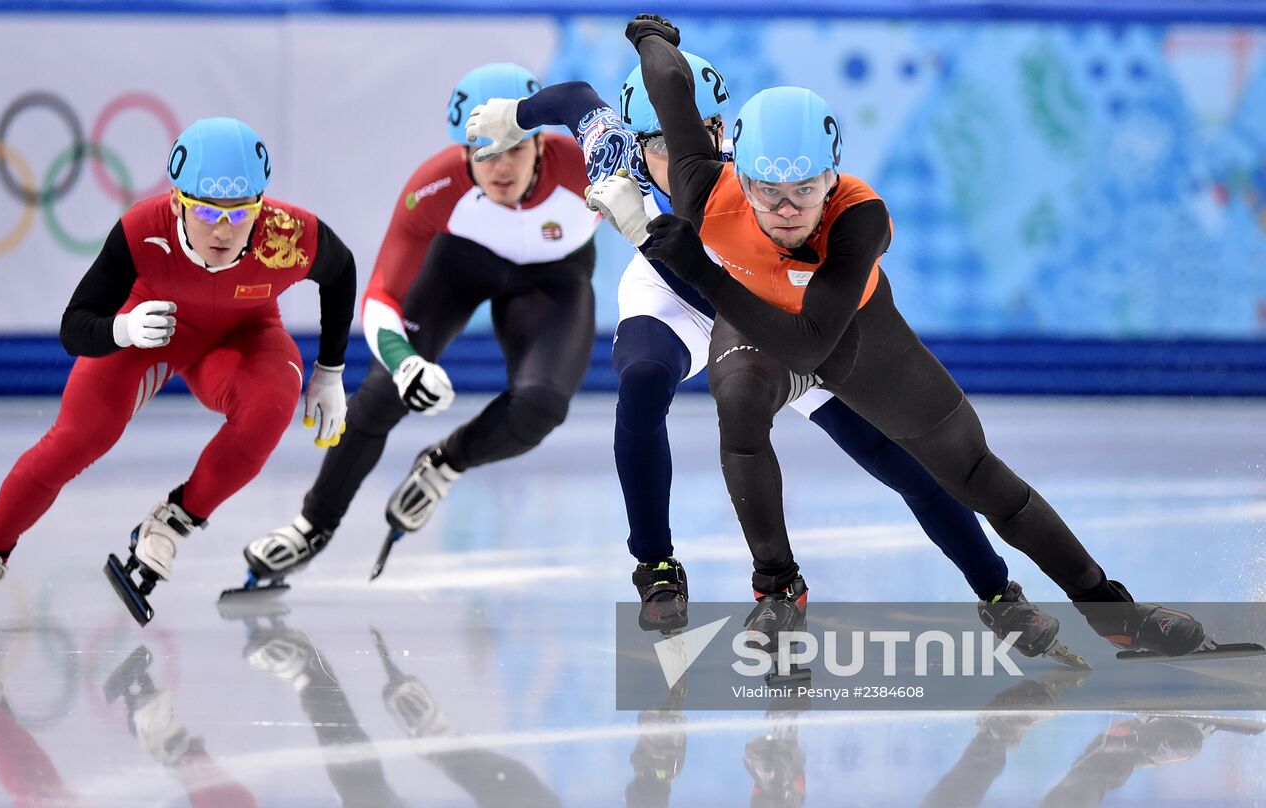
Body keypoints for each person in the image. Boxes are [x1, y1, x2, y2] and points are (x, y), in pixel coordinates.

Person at [611, 15, 1207, 658]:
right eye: (767, 191)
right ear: (738, 172)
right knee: (740, 406)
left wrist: (700, 269)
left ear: (833, 179)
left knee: (979, 479)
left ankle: (1112, 611)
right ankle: (778, 587)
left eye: (805, 190)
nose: (786, 210)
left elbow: (810, 345)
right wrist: (652, 37)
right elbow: (670, 87)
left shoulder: (860, 217)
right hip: (756, 333)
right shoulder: (704, 184)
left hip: (853, 340)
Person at [465, 55, 1077, 665]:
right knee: (643, 383)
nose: (672, 159)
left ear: (718, 132)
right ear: (633, 139)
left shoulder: (750, 171)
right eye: (654, 145)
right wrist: (516, 118)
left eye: (702, 134)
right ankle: (656, 565)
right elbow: (575, 98)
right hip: (672, 294)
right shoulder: (614, 151)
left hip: (758, 306)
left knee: (900, 461)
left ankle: (998, 592)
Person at [0, 117, 358, 627]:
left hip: (243, 337)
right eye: (207, 210)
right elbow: (73, 327)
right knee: (78, 437)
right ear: (178, 202)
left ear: (261, 206)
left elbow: (341, 274)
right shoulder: (143, 230)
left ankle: (172, 523)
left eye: (242, 211)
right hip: (153, 330)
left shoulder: (288, 234)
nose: (224, 228)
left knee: (272, 404)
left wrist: (330, 370)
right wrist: (121, 330)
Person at [236, 63, 599, 588]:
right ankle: (312, 524)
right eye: (484, 153)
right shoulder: (434, 186)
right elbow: (381, 293)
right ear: (463, 152)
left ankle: (446, 464)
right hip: (461, 265)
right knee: (384, 393)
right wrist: (406, 364)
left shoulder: (588, 167)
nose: (501, 167)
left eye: (515, 148)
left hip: (555, 281)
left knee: (541, 407)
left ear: (542, 143)